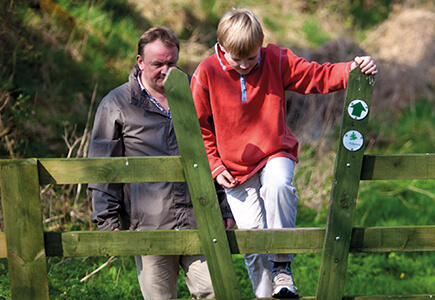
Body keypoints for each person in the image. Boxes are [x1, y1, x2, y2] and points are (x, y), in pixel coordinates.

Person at [190, 8, 377, 298]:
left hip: (274, 150)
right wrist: (214, 165)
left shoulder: (276, 59)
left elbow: (316, 75)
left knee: (278, 186)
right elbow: (199, 126)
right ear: (221, 48)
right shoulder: (206, 74)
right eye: (235, 59)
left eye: (251, 58)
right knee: (252, 242)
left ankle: (282, 267)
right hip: (234, 168)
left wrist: (351, 69)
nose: (243, 65)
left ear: (260, 45)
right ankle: (269, 295)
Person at [88, 25, 234, 300]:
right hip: (149, 226)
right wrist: (107, 220)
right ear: (140, 62)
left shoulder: (196, 94)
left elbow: (216, 153)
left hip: (200, 219)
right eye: (158, 63)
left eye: (172, 63)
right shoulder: (117, 103)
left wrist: (224, 206)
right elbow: (102, 166)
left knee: (216, 293)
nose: (166, 70)